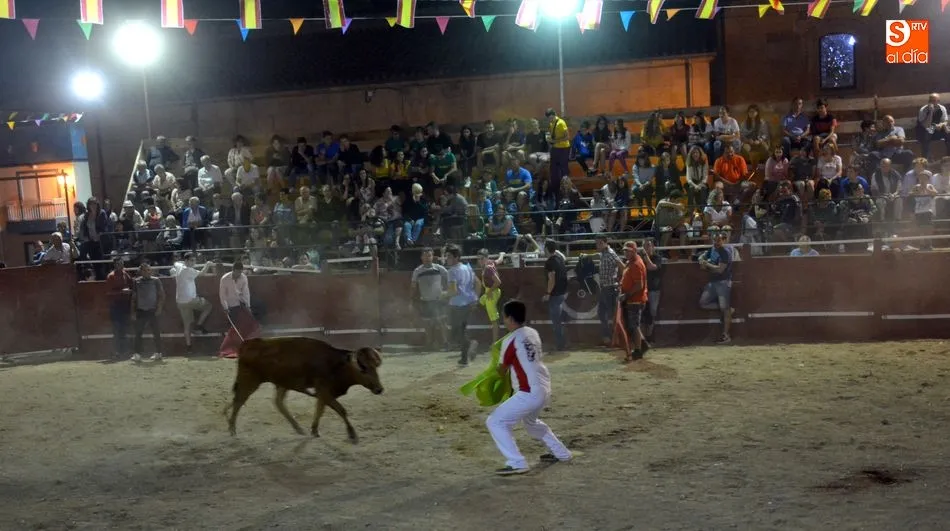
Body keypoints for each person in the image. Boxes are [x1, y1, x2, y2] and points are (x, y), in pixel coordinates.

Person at [486, 299, 573, 476]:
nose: (504, 321)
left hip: (528, 392)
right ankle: (562, 453)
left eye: (505, 317)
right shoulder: (533, 333)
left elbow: (502, 371)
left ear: (510, 318)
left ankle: (517, 462)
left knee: (495, 421)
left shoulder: (510, 340)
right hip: (544, 387)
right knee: (531, 423)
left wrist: (490, 372)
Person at [579, 235, 623, 346]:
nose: (597, 245)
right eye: (596, 243)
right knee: (602, 313)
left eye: (599, 243)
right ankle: (608, 338)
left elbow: (622, 266)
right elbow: (598, 255)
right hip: (605, 288)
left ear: (605, 243)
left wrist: (619, 280)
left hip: (610, 288)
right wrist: (587, 255)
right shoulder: (604, 253)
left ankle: (615, 338)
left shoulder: (611, 254)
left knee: (611, 314)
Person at [171, 253, 214, 353]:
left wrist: (180, 264)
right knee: (208, 306)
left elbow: (175, 263)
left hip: (180, 301)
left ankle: (189, 346)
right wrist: (207, 264)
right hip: (190, 300)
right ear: (186, 261)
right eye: (192, 260)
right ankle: (199, 326)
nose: (194, 262)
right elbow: (202, 273)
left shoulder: (179, 266)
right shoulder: (188, 270)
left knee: (187, 325)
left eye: (194, 260)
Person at [445, 244, 479, 366]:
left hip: (457, 305)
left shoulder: (452, 271)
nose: (447, 259)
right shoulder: (467, 267)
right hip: (468, 303)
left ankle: (470, 345)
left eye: (449, 256)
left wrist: (442, 295)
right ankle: (464, 358)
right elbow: (478, 283)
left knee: (457, 333)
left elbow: (453, 291)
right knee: (461, 331)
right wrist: (475, 298)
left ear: (456, 257)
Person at [218, 261, 260, 358]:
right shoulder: (225, 278)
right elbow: (222, 295)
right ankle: (234, 348)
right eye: (237, 272)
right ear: (233, 270)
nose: (239, 274)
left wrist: (248, 306)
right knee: (235, 328)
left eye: (240, 272)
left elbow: (246, 292)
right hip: (231, 306)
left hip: (241, 304)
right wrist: (225, 307)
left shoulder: (243, 277)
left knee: (247, 325)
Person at [698, 231, 734, 344]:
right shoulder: (712, 249)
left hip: (723, 282)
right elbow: (702, 257)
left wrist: (706, 264)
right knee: (703, 303)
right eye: (714, 240)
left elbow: (720, 270)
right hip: (713, 282)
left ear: (724, 240)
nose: (716, 242)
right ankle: (728, 310)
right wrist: (701, 259)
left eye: (718, 240)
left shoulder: (725, 252)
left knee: (724, 308)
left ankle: (726, 335)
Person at [410, 247, 449, 349]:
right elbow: (413, 286)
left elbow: (449, 280)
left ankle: (445, 343)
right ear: (421, 257)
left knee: (441, 322)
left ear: (432, 257)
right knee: (427, 324)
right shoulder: (417, 271)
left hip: (438, 300)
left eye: (429, 256)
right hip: (425, 300)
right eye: (425, 256)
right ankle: (430, 343)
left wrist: (446, 293)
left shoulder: (439, 268)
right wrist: (412, 299)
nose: (427, 258)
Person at [618, 241, 649, 362]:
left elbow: (639, 285)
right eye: (625, 251)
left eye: (628, 251)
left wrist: (626, 295)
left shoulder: (636, 264)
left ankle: (638, 351)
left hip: (635, 300)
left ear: (634, 251)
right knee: (634, 325)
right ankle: (642, 345)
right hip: (633, 299)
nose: (626, 253)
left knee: (634, 326)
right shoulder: (632, 262)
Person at [131, 261, 166, 362]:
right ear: (141, 272)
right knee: (138, 333)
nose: (148, 272)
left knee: (156, 332)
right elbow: (134, 297)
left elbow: (162, 295)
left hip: (153, 310)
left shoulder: (156, 280)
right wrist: (133, 311)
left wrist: (159, 308)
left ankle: (158, 353)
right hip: (141, 310)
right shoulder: (136, 281)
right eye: (145, 270)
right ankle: (137, 354)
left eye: (149, 270)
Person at [542, 239, 568, 351]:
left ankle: (560, 345)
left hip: (555, 294)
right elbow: (564, 258)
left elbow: (551, 279)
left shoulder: (549, 262)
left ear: (547, 249)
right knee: (558, 320)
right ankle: (562, 343)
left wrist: (548, 293)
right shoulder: (560, 259)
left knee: (556, 322)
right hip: (562, 293)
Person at [105, 257, 133, 360]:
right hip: (116, 306)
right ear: (115, 265)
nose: (120, 266)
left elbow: (131, 285)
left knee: (124, 329)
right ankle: (118, 351)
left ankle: (124, 351)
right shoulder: (111, 276)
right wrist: (122, 292)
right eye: (118, 264)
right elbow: (108, 292)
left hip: (124, 305)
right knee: (117, 330)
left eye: (121, 264)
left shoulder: (126, 274)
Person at [477, 248, 505, 346]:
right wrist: (502, 254)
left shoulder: (488, 268)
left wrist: (489, 292)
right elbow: (499, 260)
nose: (480, 261)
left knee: (494, 320)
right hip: (491, 291)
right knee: (480, 301)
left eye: (482, 259)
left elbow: (498, 282)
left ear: (486, 258)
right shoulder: (490, 262)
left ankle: (495, 342)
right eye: (478, 259)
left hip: (491, 293)